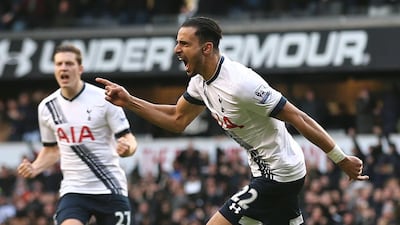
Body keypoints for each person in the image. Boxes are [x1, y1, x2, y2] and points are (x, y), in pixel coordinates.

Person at [96, 16, 369, 225]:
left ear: (206, 47)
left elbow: (298, 117)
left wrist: (340, 158)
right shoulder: (199, 83)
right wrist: (129, 101)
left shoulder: (241, 84)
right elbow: (177, 119)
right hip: (265, 171)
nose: (176, 49)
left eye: (183, 43)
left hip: (280, 174)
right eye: (177, 42)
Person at [17, 44, 137, 225]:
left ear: (80, 68)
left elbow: (128, 137)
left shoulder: (104, 99)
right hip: (74, 190)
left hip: (110, 187)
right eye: (59, 64)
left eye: (69, 63)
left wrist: (127, 148)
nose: (63, 67)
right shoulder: (47, 107)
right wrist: (35, 167)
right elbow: (51, 150)